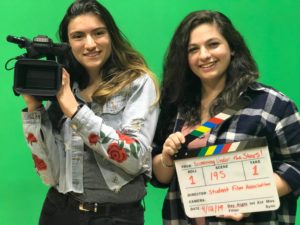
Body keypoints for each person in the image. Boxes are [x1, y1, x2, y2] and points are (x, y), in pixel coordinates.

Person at [151, 10, 300, 225]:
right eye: (193, 49)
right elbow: (160, 178)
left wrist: (250, 195)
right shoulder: (175, 107)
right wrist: (166, 158)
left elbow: (296, 165)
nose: (204, 55)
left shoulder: (272, 104)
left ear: (232, 48)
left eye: (213, 44)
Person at [21, 0, 160, 225]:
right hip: (59, 211)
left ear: (111, 35)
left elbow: (136, 158)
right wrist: (34, 108)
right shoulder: (66, 86)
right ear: (67, 44)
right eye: (78, 36)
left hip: (116, 216)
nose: (90, 44)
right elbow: (49, 175)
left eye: (98, 33)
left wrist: (75, 112)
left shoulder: (138, 83)